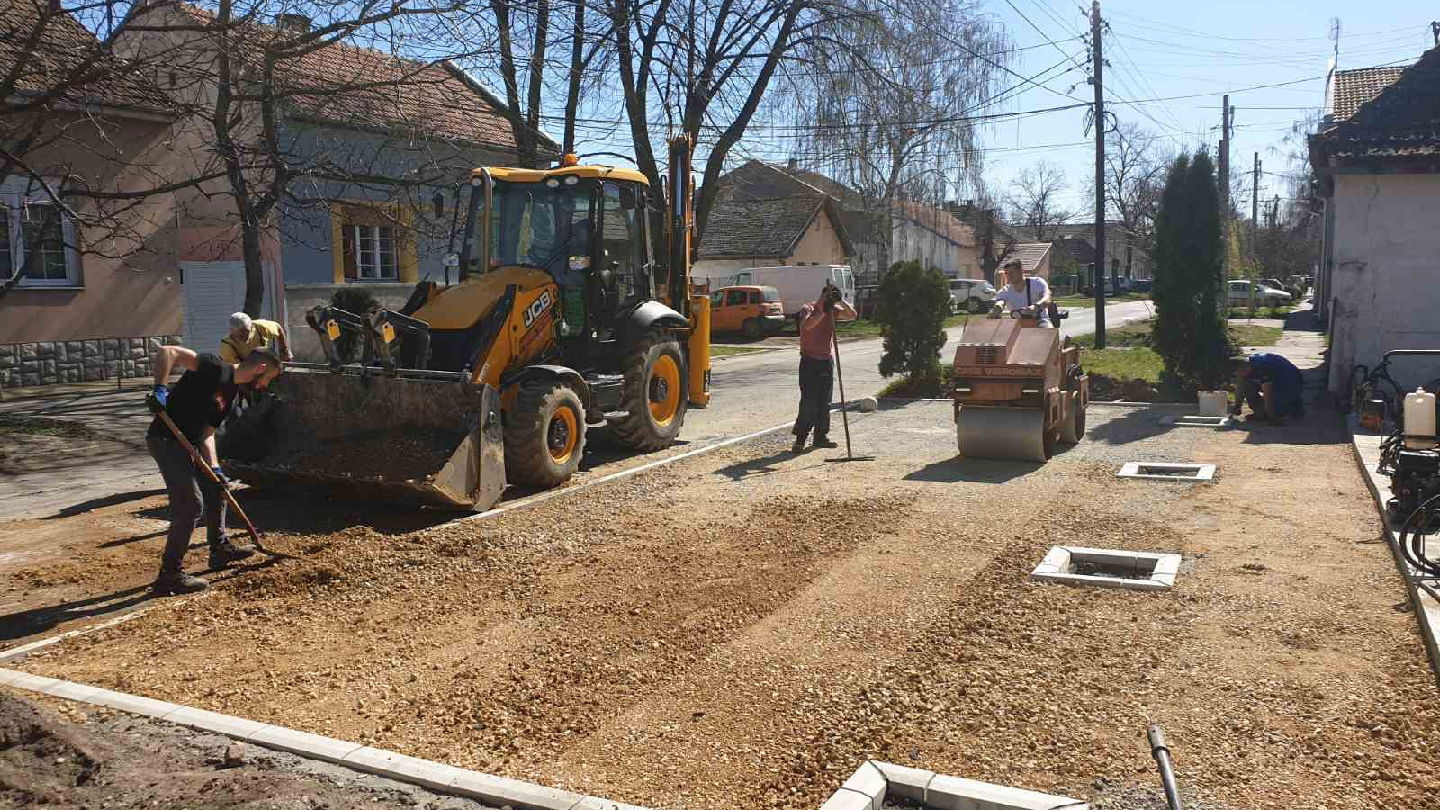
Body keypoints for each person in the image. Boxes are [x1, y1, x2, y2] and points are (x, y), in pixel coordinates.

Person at [145, 346, 283, 595]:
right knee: (190, 506)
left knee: (218, 488)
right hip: (166, 440)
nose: (265, 385)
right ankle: (169, 575)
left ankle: (219, 550)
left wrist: (216, 469)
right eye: (268, 379)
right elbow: (168, 351)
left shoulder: (231, 393)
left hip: (190, 444)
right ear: (260, 368)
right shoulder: (215, 367)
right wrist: (160, 389)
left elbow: (207, 434)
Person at [791, 283, 856, 453]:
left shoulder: (833, 310)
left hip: (826, 361)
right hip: (809, 361)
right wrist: (822, 309)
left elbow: (852, 315)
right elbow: (808, 325)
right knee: (809, 401)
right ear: (822, 296)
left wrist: (841, 301)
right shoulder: (808, 308)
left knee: (824, 402)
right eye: (828, 297)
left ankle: (820, 436)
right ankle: (800, 438)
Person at [1232, 352, 1304, 422]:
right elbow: (1240, 386)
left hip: (1289, 384)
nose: (1239, 376)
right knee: (1247, 384)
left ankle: (1292, 406)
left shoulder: (1263, 369)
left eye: (1240, 373)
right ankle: (1263, 410)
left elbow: (1268, 396)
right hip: (1277, 380)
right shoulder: (1248, 364)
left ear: (1246, 368)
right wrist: (1237, 406)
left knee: (1265, 414)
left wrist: (1272, 418)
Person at [991, 260, 1053, 326]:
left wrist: (1035, 307)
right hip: (1017, 324)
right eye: (1006, 273)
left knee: (1046, 329)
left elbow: (1047, 299)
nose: (1009, 276)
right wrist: (997, 309)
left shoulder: (1037, 282)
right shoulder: (1005, 290)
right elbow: (1000, 302)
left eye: (1012, 272)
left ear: (1021, 271)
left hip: (1040, 321)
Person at [220, 312, 293, 364]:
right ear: (231, 331)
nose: (243, 336)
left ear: (251, 326)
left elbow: (278, 328)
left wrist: (284, 350)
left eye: (246, 331)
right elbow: (236, 371)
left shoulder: (259, 327)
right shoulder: (227, 346)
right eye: (239, 334)